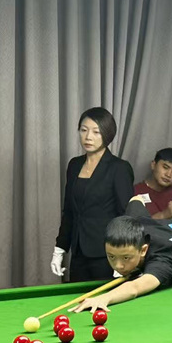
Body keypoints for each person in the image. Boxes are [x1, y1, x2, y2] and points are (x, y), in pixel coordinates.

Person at [52, 107, 135, 282]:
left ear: (107, 134)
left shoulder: (119, 168)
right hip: (78, 252)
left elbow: (126, 216)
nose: (88, 137)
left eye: (96, 132)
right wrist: (59, 249)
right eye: (84, 130)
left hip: (108, 254)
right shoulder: (74, 165)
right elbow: (69, 211)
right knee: (78, 298)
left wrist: (124, 258)